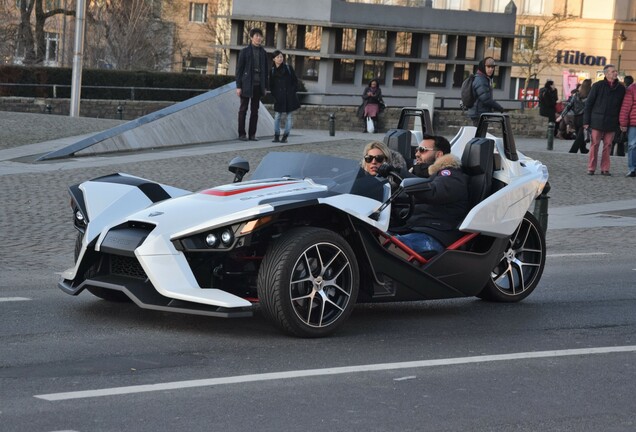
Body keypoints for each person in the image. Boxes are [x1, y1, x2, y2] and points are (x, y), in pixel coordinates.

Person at [378, 135, 470, 255]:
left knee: (388, 248)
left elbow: (433, 191)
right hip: (414, 228)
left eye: (422, 150)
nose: (417, 154)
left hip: (434, 234)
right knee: (371, 237)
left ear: (439, 155)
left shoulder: (451, 175)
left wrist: (399, 173)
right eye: (417, 150)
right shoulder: (429, 174)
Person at [583, 64, 626, 175]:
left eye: (616, 71)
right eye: (613, 71)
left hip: (612, 121)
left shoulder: (621, 88)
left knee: (608, 145)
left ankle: (605, 168)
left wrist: (622, 122)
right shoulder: (598, 86)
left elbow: (623, 107)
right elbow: (589, 104)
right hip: (597, 120)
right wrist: (586, 121)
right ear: (606, 74)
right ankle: (591, 167)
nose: (615, 73)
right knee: (595, 144)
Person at [235, 28, 269, 141]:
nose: (258, 38)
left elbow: (265, 72)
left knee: (255, 111)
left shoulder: (263, 53)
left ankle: (252, 134)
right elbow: (239, 70)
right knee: (243, 109)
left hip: (258, 85)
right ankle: (241, 133)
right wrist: (238, 86)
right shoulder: (244, 52)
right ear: (251, 37)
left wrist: (265, 87)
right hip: (246, 85)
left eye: (260, 36)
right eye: (256, 36)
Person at [269, 50, 300, 143]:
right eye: (278, 57)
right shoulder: (272, 70)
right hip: (279, 97)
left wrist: (292, 91)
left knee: (289, 116)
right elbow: (271, 85)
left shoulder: (288, 68)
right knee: (277, 116)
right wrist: (275, 95)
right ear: (274, 59)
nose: (280, 59)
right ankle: (276, 135)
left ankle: (285, 136)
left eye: (281, 57)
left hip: (290, 96)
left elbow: (295, 81)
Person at [468, 57, 504, 126]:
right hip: (479, 114)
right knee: (479, 135)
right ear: (483, 67)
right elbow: (486, 99)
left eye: (492, 67)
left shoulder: (484, 78)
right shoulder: (481, 80)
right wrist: (499, 107)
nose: (491, 69)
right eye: (488, 67)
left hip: (480, 113)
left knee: (480, 135)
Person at [558, 79, 591, 154]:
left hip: (576, 118)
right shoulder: (590, 96)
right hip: (585, 118)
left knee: (580, 135)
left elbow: (569, 106)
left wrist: (561, 116)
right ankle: (572, 151)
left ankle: (583, 150)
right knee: (580, 136)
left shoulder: (576, 95)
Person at [619, 75, 636, 177]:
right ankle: (632, 168)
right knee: (632, 145)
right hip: (634, 122)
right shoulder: (632, 89)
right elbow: (626, 107)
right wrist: (623, 123)